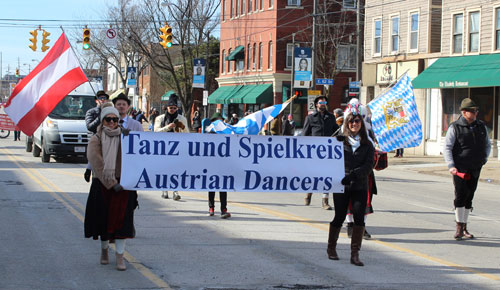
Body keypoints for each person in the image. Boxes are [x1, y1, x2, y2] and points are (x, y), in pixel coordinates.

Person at [84, 105, 138, 271]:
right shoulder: (96, 139)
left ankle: (120, 257)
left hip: (124, 185)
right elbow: (97, 163)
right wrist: (111, 183)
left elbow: (141, 150)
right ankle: (104, 251)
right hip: (103, 186)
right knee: (104, 221)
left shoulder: (126, 135)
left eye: (115, 119)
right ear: (103, 120)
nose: (112, 122)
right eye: (109, 119)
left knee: (123, 223)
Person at [327, 108, 374, 266]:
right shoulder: (339, 141)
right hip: (341, 185)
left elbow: (369, 165)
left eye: (357, 121)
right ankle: (331, 248)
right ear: (347, 123)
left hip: (359, 185)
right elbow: (328, 158)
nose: (354, 124)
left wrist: (353, 175)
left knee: (359, 218)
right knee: (339, 217)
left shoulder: (367, 144)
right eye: (351, 121)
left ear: (361, 123)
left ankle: (355, 253)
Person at [443, 98, 490, 240]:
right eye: (473, 111)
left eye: (476, 110)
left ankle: (465, 227)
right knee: (460, 196)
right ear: (464, 112)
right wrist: (451, 165)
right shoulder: (455, 127)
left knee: (470, 196)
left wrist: (484, 159)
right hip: (460, 168)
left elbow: (487, 144)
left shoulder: (481, 126)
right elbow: (447, 147)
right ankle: (459, 227)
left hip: (475, 166)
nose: (476, 113)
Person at [302, 96, 339, 210]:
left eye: (325, 102)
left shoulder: (331, 117)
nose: (323, 104)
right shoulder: (310, 118)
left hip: (328, 152)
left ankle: (325, 201)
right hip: (314, 152)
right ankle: (309, 193)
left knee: (327, 176)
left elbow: (336, 131)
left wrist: (339, 138)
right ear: (316, 104)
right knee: (314, 175)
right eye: (321, 102)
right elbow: (304, 135)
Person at [154, 94, 189, 200]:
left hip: (177, 148)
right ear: (167, 108)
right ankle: (164, 190)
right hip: (163, 148)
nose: (172, 109)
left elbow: (187, 134)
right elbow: (155, 132)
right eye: (170, 108)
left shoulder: (181, 118)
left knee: (176, 170)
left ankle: (175, 191)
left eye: (174, 108)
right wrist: (167, 127)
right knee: (164, 169)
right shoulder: (160, 118)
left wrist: (182, 127)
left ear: (177, 108)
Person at [207, 112, 231, 218]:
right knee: (212, 186)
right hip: (213, 163)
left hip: (223, 163)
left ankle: (222, 209)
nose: (222, 122)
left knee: (222, 187)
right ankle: (212, 207)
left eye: (222, 120)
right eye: (220, 120)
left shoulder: (225, 132)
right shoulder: (211, 133)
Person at [84, 90, 110, 182]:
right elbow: (90, 127)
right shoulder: (91, 112)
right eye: (100, 98)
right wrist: (100, 117)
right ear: (96, 100)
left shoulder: (111, 112)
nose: (102, 100)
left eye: (104, 98)